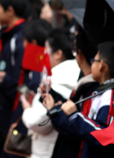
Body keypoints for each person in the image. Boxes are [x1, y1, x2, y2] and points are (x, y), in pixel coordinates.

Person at [46, 41, 114, 158]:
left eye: (93, 61)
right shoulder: (103, 92)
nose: (91, 64)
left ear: (101, 65)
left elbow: (105, 136)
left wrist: (74, 115)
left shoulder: (112, 95)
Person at [20, 27, 79, 158]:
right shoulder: (62, 75)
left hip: (47, 151)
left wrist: (27, 109)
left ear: (58, 53)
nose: (43, 54)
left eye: (46, 49)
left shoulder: (63, 79)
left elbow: (39, 122)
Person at [0, 0, 31, 158]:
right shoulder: (8, 35)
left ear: (10, 10)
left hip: (12, 118)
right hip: (2, 119)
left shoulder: (22, 38)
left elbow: (28, 82)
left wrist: (4, 81)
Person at [46, 29, 98, 158]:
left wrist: (55, 111)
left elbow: (80, 129)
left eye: (75, 50)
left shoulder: (94, 89)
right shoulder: (84, 81)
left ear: (80, 54)